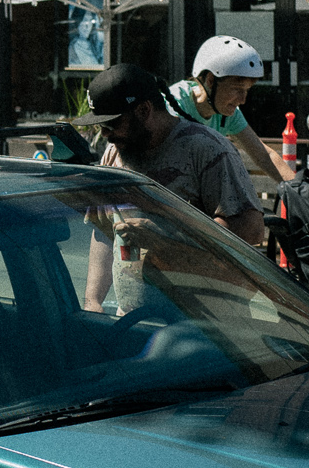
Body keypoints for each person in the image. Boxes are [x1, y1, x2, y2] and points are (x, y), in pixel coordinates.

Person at [74, 64, 265, 313]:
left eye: (112, 124)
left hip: (207, 324)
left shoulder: (206, 149)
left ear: (144, 110)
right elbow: (102, 230)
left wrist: (166, 242)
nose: (105, 134)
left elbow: (250, 230)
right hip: (134, 322)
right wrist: (92, 302)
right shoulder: (114, 152)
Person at [169, 35, 285, 183]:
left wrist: (298, 190)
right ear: (211, 81)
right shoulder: (173, 106)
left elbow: (264, 156)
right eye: (237, 89)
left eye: (247, 90)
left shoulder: (226, 112)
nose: (243, 100)